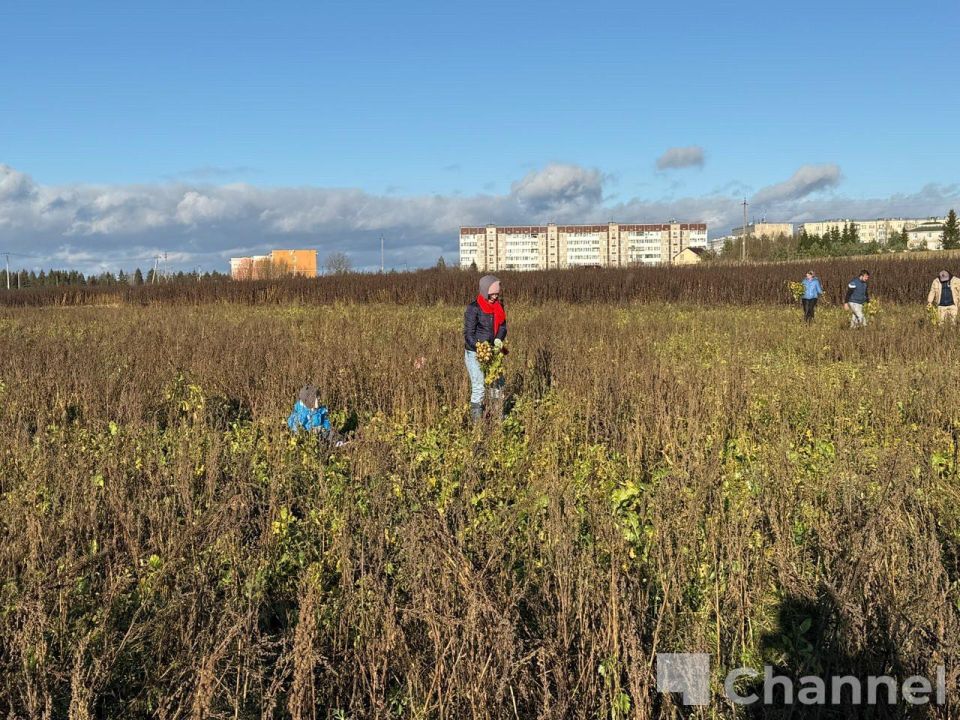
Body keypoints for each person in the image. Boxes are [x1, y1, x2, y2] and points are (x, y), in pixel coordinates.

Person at [464, 274, 507, 422]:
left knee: (497, 384)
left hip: (493, 351)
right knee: (479, 387)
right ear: (484, 291)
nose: (495, 297)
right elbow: (468, 334)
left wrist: (497, 341)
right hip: (475, 353)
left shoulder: (499, 307)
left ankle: (497, 417)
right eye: (492, 293)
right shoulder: (473, 308)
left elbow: (502, 327)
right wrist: (480, 348)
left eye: (497, 293)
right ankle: (477, 425)